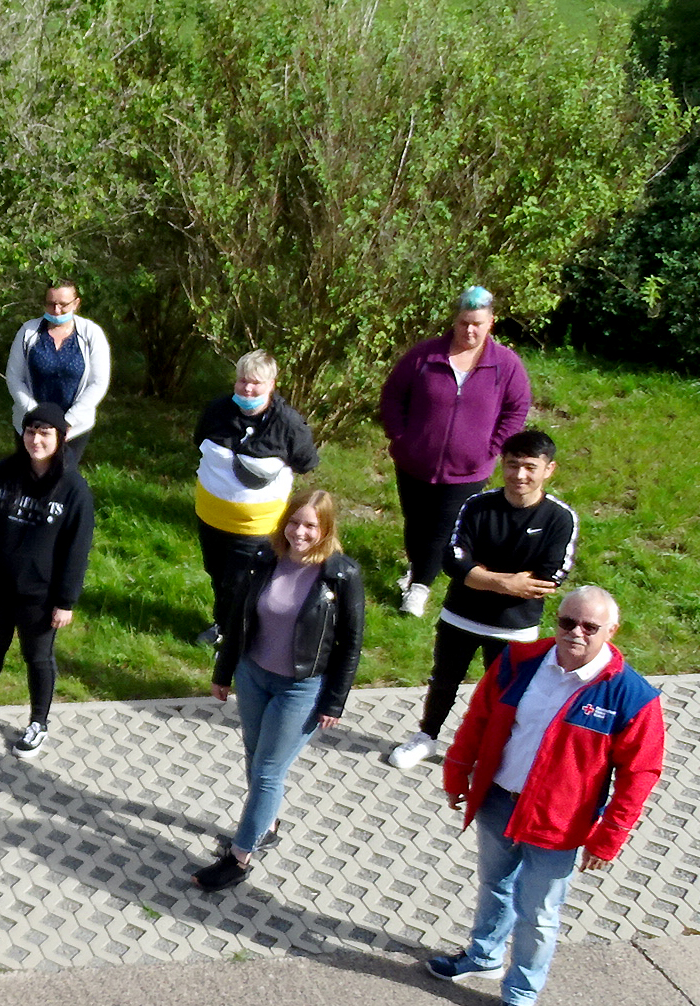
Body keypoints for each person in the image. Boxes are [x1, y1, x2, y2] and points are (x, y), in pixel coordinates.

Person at [426, 587, 665, 1006]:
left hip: (557, 825)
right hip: (498, 801)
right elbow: (478, 718)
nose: (575, 633)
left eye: (590, 627)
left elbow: (640, 775)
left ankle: (519, 996)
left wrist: (607, 838)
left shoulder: (632, 697)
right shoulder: (520, 661)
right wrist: (458, 773)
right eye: (567, 622)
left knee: (538, 913)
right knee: (493, 883)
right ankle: (483, 955)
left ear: (611, 632)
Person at [192, 490, 365, 893]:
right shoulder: (264, 560)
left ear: (325, 529)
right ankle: (265, 826)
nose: (299, 532)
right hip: (254, 676)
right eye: (294, 522)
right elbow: (238, 619)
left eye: (310, 525)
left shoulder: (341, 575)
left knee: (269, 772)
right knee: (255, 758)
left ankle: (238, 859)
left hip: (301, 688)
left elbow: (351, 644)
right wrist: (224, 671)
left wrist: (334, 701)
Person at [387, 430, 578, 769]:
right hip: (460, 615)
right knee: (443, 680)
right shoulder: (476, 505)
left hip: (515, 628)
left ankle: (491, 754)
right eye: (512, 465)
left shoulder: (560, 518)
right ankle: (426, 737)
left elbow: (549, 578)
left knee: (505, 695)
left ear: (549, 470)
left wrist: (478, 577)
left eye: (530, 467)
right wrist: (504, 582)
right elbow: (454, 560)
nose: (520, 475)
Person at [378, 286, 533, 616]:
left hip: (468, 469)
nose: (470, 330)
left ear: (492, 322)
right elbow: (392, 395)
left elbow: (517, 408)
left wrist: (493, 448)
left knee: (444, 528)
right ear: (455, 320)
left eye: (477, 323)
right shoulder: (424, 356)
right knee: (416, 523)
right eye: (464, 323)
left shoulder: (506, 365)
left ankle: (419, 589)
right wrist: (401, 437)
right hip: (414, 461)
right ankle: (417, 568)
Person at [0, 403, 96, 756]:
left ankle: (38, 723)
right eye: (31, 432)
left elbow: (77, 550)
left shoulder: (74, 488)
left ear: (61, 438)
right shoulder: (3, 474)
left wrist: (66, 601)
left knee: (38, 658)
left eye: (45, 433)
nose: (36, 439)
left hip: (40, 596)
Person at [192, 350, 318, 648]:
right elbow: (200, 441)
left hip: (255, 527)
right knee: (218, 574)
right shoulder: (216, 410)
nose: (247, 389)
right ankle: (224, 624)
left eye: (256, 383)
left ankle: (241, 637)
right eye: (241, 381)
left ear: (272, 384)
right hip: (210, 517)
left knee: (241, 582)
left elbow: (306, 462)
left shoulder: (288, 424)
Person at [5, 280, 111, 470]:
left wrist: (67, 421)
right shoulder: (28, 332)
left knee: (61, 480)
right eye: (50, 303)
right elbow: (14, 378)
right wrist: (35, 415)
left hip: (74, 428)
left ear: (76, 303)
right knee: (27, 477)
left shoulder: (91, 334)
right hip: (31, 426)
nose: (56, 310)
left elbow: (98, 383)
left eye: (63, 304)